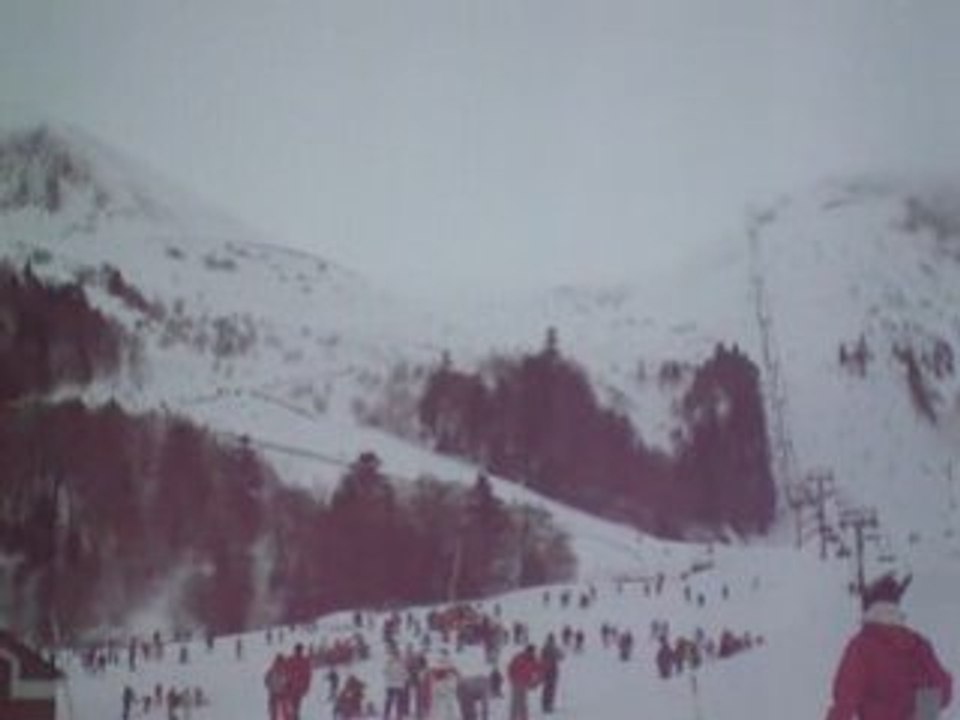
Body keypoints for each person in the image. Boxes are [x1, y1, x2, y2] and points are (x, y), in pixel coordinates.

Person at [825, 573, 953, 720]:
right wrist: (922, 715)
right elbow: (943, 688)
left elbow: (844, 702)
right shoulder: (918, 643)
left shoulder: (861, 646)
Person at [507, 645, 542, 720]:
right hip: (516, 681)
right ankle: (513, 718)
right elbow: (510, 667)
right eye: (530, 652)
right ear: (527, 651)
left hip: (525, 682)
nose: (531, 654)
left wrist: (536, 682)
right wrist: (511, 679)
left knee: (523, 703)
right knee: (515, 702)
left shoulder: (533, 660)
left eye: (533, 652)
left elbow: (539, 671)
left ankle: (523, 718)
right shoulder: (519, 657)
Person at [428, 649, 461, 720]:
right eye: (443, 655)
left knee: (447, 707)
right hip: (441, 688)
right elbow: (433, 674)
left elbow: (457, 675)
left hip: (447, 688)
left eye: (445, 655)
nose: (444, 657)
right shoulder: (437, 664)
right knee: (440, 707)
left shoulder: (450, 664)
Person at [286, 643, 312, 720]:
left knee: (296, 706)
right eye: (297, 650)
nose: (298, 652)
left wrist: (306, 687)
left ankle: (295, 717)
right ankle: (293, 716)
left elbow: (308, 676)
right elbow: (285, 672)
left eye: (299, 650)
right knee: (292, 706)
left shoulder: (305, 661)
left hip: (299, 688)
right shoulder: (290, 659)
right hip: (290, 687)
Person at [539, 634, 563, 713]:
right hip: (552, 670)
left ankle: (545, 704)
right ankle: (549, 704)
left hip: (546, 670)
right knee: (551, 688)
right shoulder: (554, 648)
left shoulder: (544, 648)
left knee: (546, 688)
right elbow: (561, 657)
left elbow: (541, 658)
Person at [383, 647, 409, 719]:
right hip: (391, 684)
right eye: (395, 654)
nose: (396, 655)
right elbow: (384, 671)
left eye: (397, 654)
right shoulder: (389, 662)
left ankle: (399, 716)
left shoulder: (401, 663)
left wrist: (404, 678)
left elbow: (405, 674)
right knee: (389, 700)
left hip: (398, 685)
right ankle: (386, 715)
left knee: (399, 701)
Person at [265, 653, 291, 720]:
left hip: (278, 692)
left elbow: (266, 680)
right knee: (282, 711)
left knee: (278, 711)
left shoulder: (273, 669)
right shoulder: (282, 669)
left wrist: (269, 687)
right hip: (279, 693)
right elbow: (267, 680)